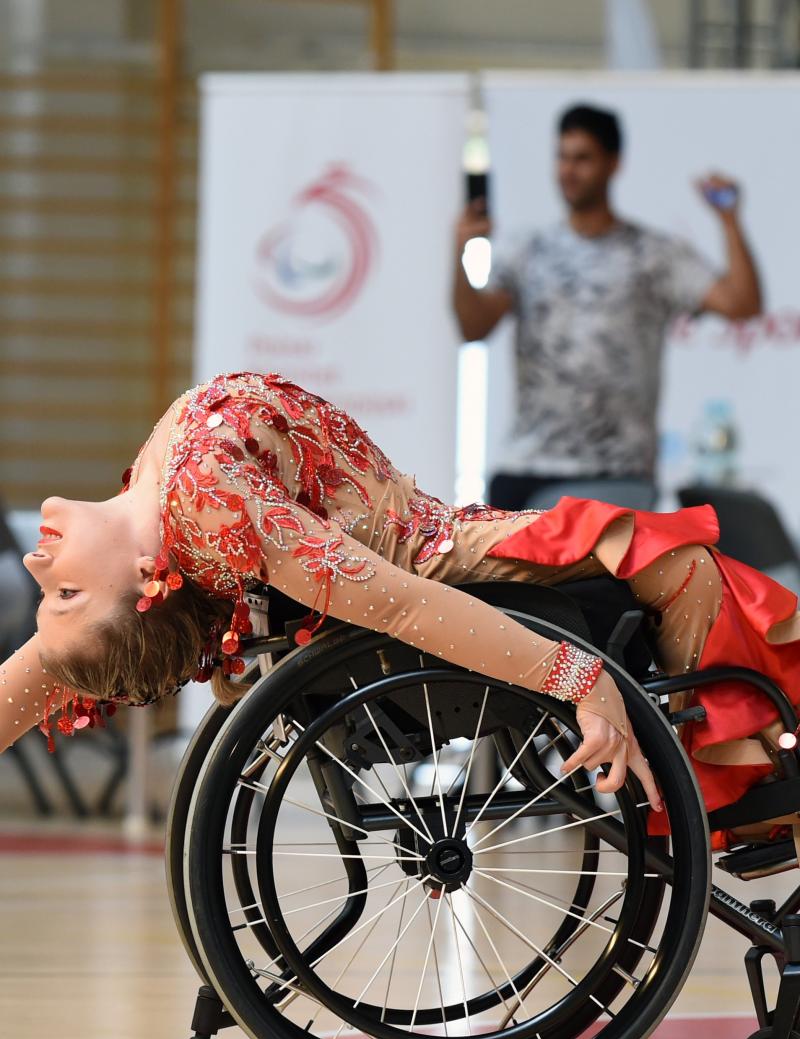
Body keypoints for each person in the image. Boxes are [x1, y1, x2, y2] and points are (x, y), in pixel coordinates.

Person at [1, 372, 797, 830]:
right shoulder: (207, 508)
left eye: (46, 590)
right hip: (432, 555)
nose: (37, 563)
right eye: (62, 591)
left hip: (424, 534)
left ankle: (722, 773)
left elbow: (35, 670)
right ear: (147, 582)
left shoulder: (163, 519)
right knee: (677, 556)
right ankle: (722, 804)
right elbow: (407, 607)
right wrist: (577, 677)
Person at [453, 103, 763, 512]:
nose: (568, 170)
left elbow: (742, 303)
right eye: (562, 156)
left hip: (619, 472)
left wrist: (729, 220)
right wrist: (459, 254)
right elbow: (473, 326)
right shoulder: (528, 250)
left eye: (583, 158)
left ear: (613, 163)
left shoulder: (653, 254)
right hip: (527, 467)